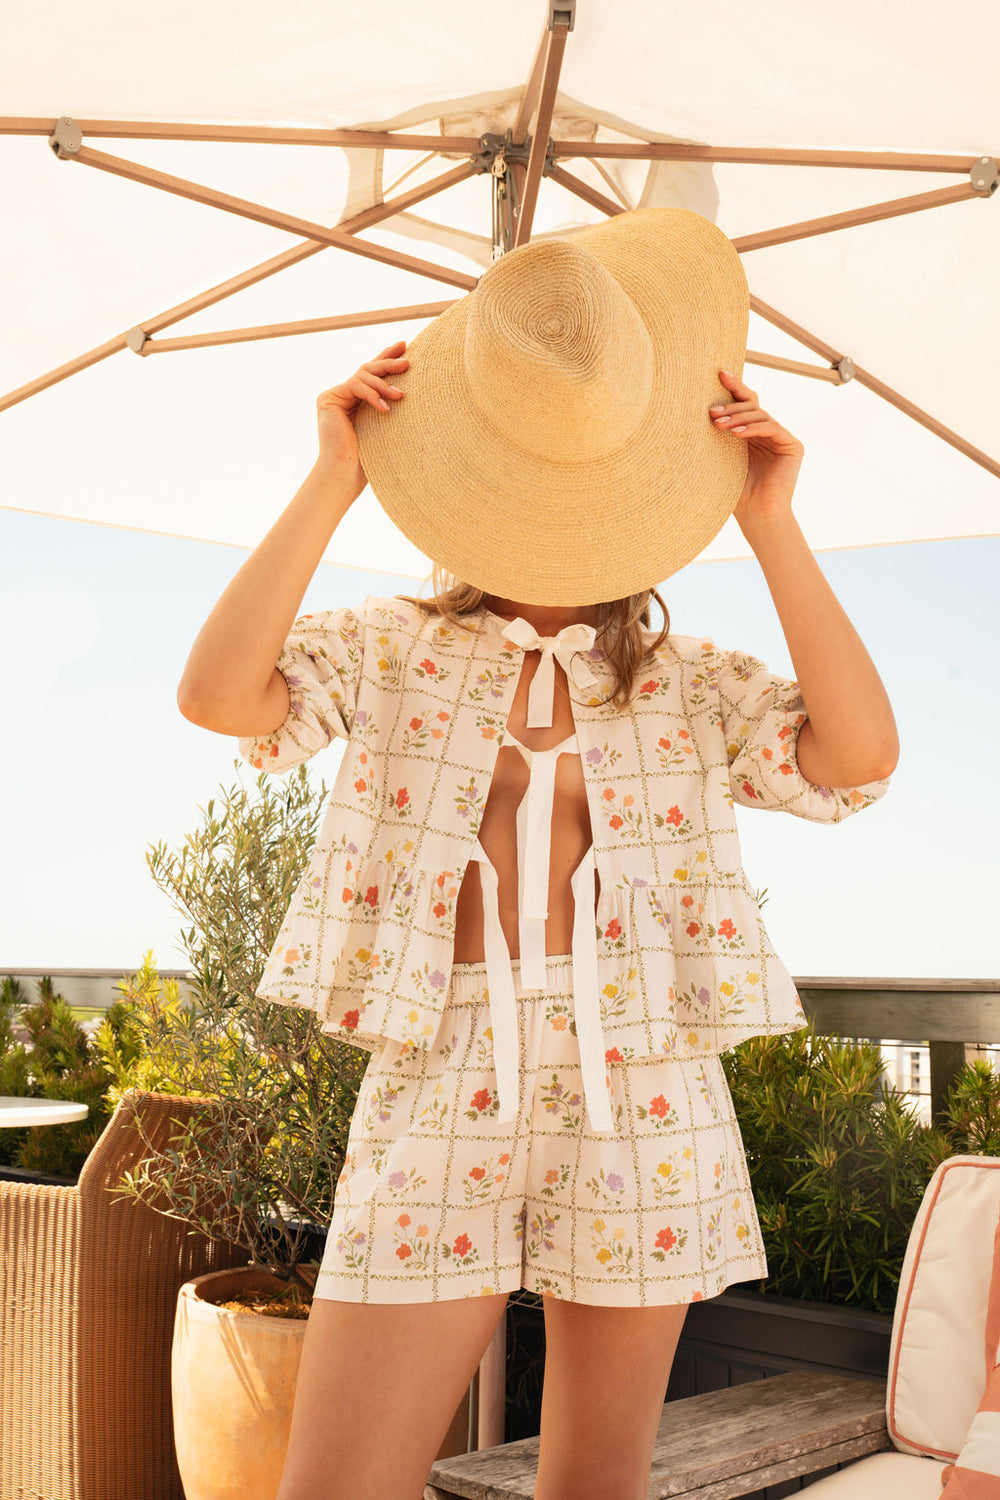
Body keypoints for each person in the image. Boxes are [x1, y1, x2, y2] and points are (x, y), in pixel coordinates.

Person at [177, 209, 899, 1500]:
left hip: (647, 1085)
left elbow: (855, 758)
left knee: (592, 1492)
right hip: (442, 1067)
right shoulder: (391, 646)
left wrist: (774, 521)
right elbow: (225, 699)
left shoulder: (686, 679)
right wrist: (333, 475)